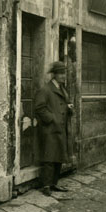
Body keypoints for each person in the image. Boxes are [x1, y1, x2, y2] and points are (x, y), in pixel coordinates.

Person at [34, 61, 73, 196]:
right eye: (60, 73)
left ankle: (54, 184)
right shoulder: (46, 89)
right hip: (50, 129)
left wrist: (68, 108)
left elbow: (62, 105)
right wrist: (52, 119)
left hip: (60, 128)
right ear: (54, 75)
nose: (63, 76)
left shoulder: (62, 89)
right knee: (49, 158)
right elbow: (39, 108)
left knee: (59, 156)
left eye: (64, 73)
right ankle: (46, 185)